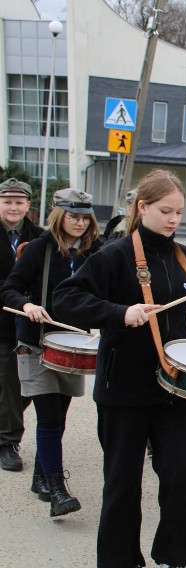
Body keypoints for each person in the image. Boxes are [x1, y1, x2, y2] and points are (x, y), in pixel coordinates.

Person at [54, 169, 186, 568]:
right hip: (123, 389)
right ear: (142, 208)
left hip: (175, 390)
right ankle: (120, 560)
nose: (174, 220)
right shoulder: (115, 254)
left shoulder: (182, 256)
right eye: (165, 211)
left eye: (179, 212)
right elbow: (66, 298)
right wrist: (120, 313)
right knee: (122, 486)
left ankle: (178, 557)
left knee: (183, 479)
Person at [1, 189, 101, 516]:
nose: (78, 223)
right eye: (73, 216)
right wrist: (26, 305)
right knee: (50, 416)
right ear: (60, 215)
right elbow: (10, 288)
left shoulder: (93, 254)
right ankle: (58, 488)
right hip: (36, 343)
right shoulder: (40, 249)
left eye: (84, 217)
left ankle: (40, 476)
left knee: (60, 417)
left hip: (73, 346)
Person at [0, 178, 42, 472]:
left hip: (28, 321)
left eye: (19, 202)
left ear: (28, 206)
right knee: (7, 382)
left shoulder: (40, 238)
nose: (13, 207)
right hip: (1, 320)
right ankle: (8, 440)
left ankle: (6, 434)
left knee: (20, 385)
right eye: (7, 202)